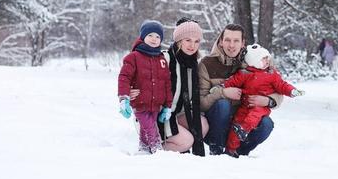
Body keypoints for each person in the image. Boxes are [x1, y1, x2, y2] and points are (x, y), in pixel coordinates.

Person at [199, 24, 284, 156]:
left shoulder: (255, 61)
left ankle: (238, 152)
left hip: (241, 123)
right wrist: (222, 92)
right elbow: (202, 103)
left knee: (267, 124)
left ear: (243, 43)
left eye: (236, 41)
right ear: (221, 41)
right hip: (215, 125)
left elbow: (278, 88)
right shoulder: (207, 64)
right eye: (227, 40)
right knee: (223, 104)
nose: (231, 45)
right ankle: (216, 149)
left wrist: (269, 100)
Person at [129, 18, 209, 156]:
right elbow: (136, 70)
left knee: (202, 125)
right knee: (187, 141)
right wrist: (131, 89)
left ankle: (169, 141)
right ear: (179, 41)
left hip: (175, 113)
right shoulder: (164, 58)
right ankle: (152, 146)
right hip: (155, 113)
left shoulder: (194, 64)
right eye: (188, 40)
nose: (192, 45)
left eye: (196, 41)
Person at [221, 44, 304, 158]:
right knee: (237, 123)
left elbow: (282, 85)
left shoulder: (271, 74)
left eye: (267, 58)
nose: (267, 61)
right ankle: (230, 150)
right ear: (254, 61)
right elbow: (232, 81)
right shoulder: (245, 73)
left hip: (262, 106)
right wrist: (224, 86)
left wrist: (292, 91)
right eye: (263, 59)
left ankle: (244, 129)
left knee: (255, 115)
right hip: (246, 105)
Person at [118, 20, 173, 154]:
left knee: (145, 128)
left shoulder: (161, 59)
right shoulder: (133, 57)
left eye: (158, 37)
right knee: (150, 127)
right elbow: (124, 77)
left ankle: (143, 148)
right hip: (140, 103)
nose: (154, 39)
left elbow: (166, 83)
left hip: (155, 104)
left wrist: (167, 106)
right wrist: (124, 98)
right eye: (150, 35)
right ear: (143, 37)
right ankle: (157, 149)